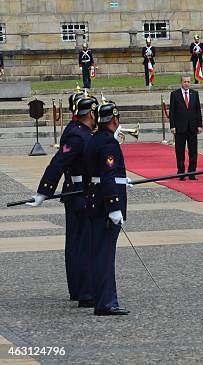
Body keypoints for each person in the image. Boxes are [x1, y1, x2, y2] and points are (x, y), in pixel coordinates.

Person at [26, 91, 97, 308]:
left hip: (75, 193)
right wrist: (43, 192)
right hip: (79, 195)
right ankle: (85, 292)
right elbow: (58, 163)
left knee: (76, 245)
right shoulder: (78, 135)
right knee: (83, 245)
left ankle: (78, 289)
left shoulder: (77, 130)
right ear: (90, 114)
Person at [84, 98, 130, 316]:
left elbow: (94, 175)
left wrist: (124, 179)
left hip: (95, 202)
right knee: (105, 255)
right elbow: (107, 175)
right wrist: (113, 206)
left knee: (99, 254)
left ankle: (103, 298)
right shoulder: (109, 143)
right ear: (114, 119)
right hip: (105, 206)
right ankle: (106, 302)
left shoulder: (95, 139)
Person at [169, 76, 203, 180]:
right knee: (180, 151)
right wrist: (172, 126)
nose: (187, 84)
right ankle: (181, 173)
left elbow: (198, 110)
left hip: (192, 128)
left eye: (188, 82)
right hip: (180, 128)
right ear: (181, 82)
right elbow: (172, 112)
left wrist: (199, 125)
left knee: (193, 151)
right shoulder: (175, 94)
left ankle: (192, 172)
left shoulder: (194, 94)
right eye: (185, 82)